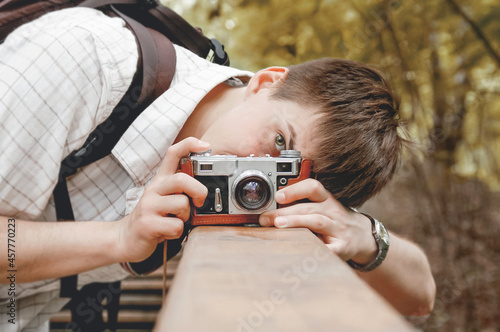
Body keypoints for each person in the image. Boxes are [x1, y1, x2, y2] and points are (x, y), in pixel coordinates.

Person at [0, 6, 435, 331]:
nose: (256, 175)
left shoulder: (263, 199)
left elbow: (420, 297)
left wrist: (361, 234)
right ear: (265, 83)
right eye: (279, 142)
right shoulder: (86, 59)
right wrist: (117, 238)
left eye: (287, 174)